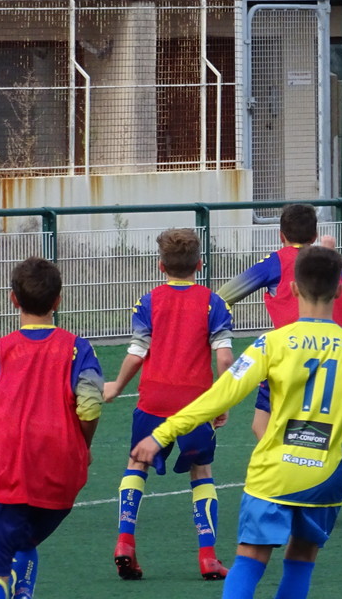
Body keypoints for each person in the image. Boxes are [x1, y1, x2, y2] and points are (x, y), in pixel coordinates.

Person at [131, 246, 342, 599]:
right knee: (302, 558)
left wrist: (161, 434)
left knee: (250, 560)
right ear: (339, 291)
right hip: (326, 476)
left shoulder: (271, 343)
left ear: (294, 289)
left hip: (275, 472)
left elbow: (220, 395)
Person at [0, 257, 103, 599]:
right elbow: (90, 409)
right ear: (58, 301)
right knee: (25, 539)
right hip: (63, 481)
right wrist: (82, 448)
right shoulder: (79, 349)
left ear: (13, 299)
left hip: (14, 478)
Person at [103, 228, 234, 581]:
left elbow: (137, 353)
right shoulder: (214, 303)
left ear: (161, 266)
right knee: (201, 472)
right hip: (195, 403)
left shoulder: (149, 301)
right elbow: (224, 358)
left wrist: (116, 385)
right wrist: (222, 399)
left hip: (154, 399)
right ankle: (208, 557)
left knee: (137, 463)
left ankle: (125, 543)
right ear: (200, 265)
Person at [217, 203, 342, 439]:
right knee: (325, 428)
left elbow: (224, 296)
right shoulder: (329, 264)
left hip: (292, 353)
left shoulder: (276, 262)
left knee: (262, 426)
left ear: (281, 235)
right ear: (314, 236)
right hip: (339, 354)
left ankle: (281, 459)